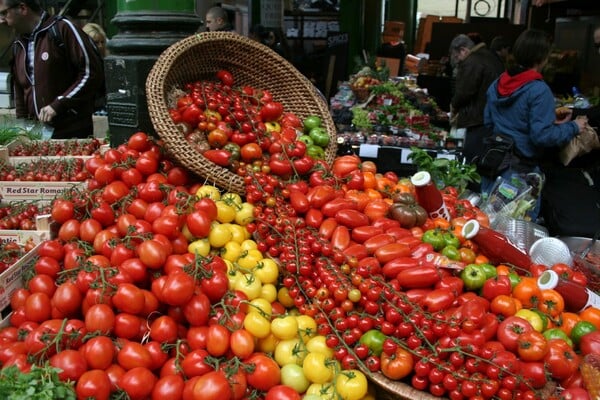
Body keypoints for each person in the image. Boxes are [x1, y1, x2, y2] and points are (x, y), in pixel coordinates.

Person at [483, 29, 586, 222]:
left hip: (494, 166)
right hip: (522, 176)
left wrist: (547, 119)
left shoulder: (498, 83)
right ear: (542, 57)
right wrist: (574, 127)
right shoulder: (539, 90)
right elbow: (542, 136)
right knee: (516, 234)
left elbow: (489, 121)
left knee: (488, 225)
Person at [1, 0, 104, 139]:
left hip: (71, 132)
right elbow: (20, 86)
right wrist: (22, 123)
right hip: (37, 135)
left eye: (4, 13)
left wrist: (59, 104)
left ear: (22, 8)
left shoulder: (62, 29)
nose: (2, 20)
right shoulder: (18, 44)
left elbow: (91, 72)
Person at [449, 34, 504, 166]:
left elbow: (464, 92)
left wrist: (453, 106)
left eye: (457, 57)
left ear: (463, 50)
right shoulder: (489, 57)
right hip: (490, 117)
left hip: (476, 120)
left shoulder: (472, 62)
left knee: (470, 159)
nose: (458, 61)